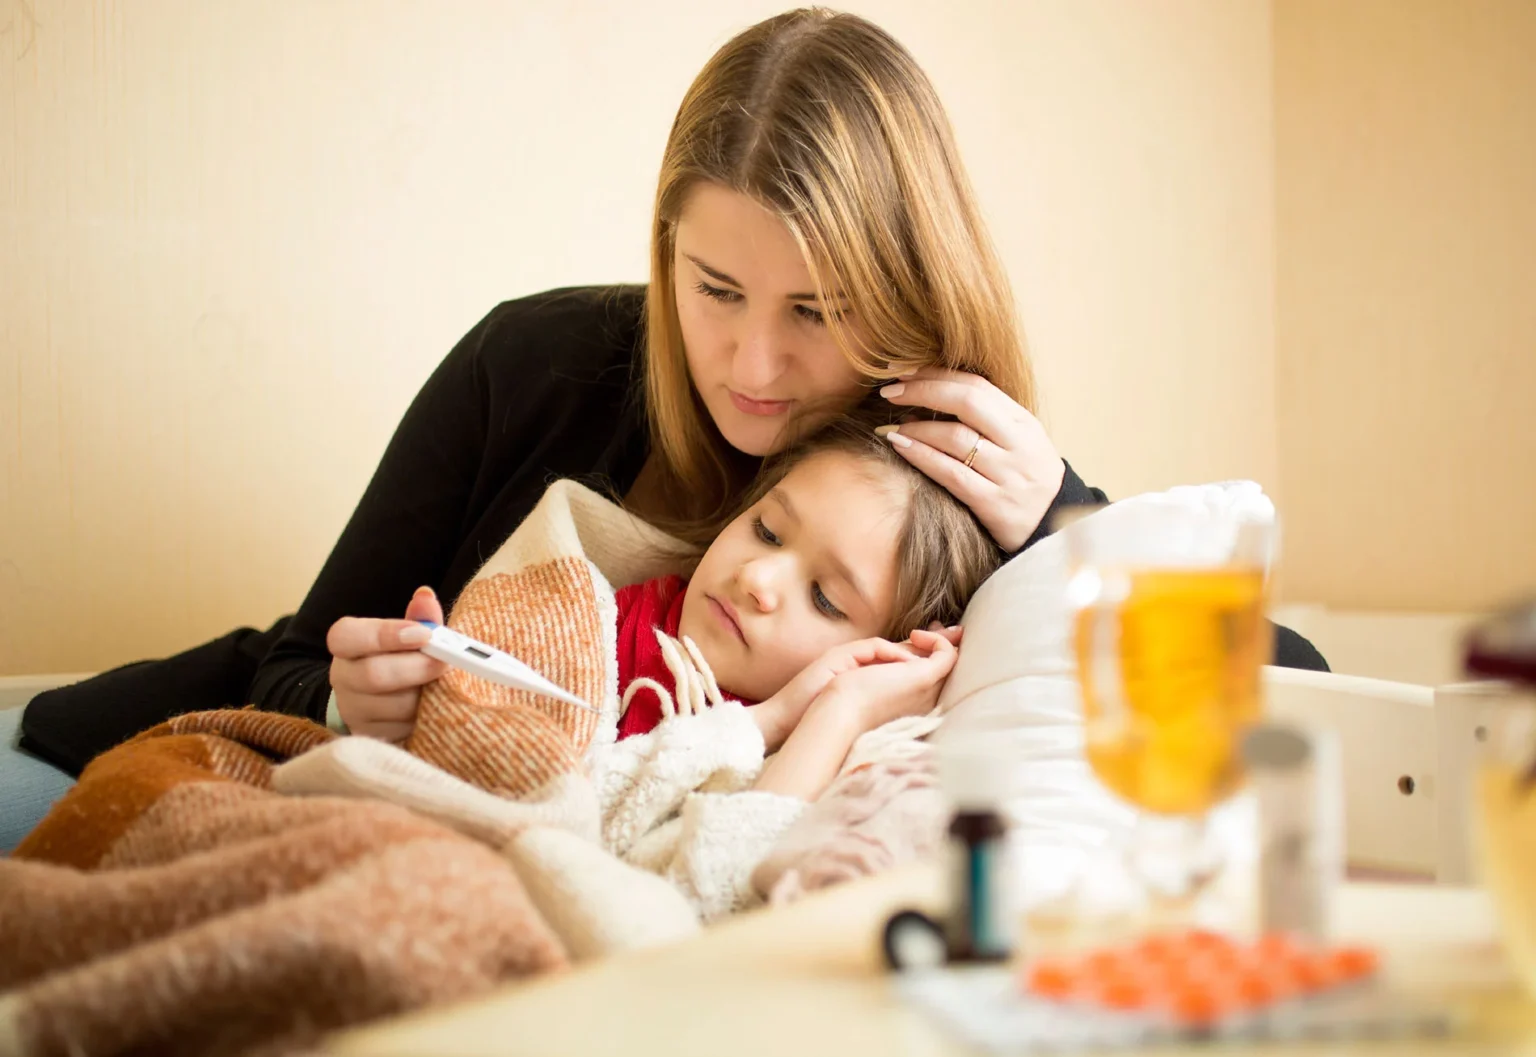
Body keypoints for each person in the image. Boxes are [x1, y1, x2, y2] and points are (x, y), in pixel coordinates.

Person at [5, 8, 1325, 852]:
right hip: (141, 744)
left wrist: (1065, 519)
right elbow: (290, 668)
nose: (754, 364)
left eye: (818, 307)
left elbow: (1304, 689)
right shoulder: (538, 361)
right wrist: (355, 697)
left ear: (908, 301)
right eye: (712, 291)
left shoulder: (951, 498)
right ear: (665, 253)